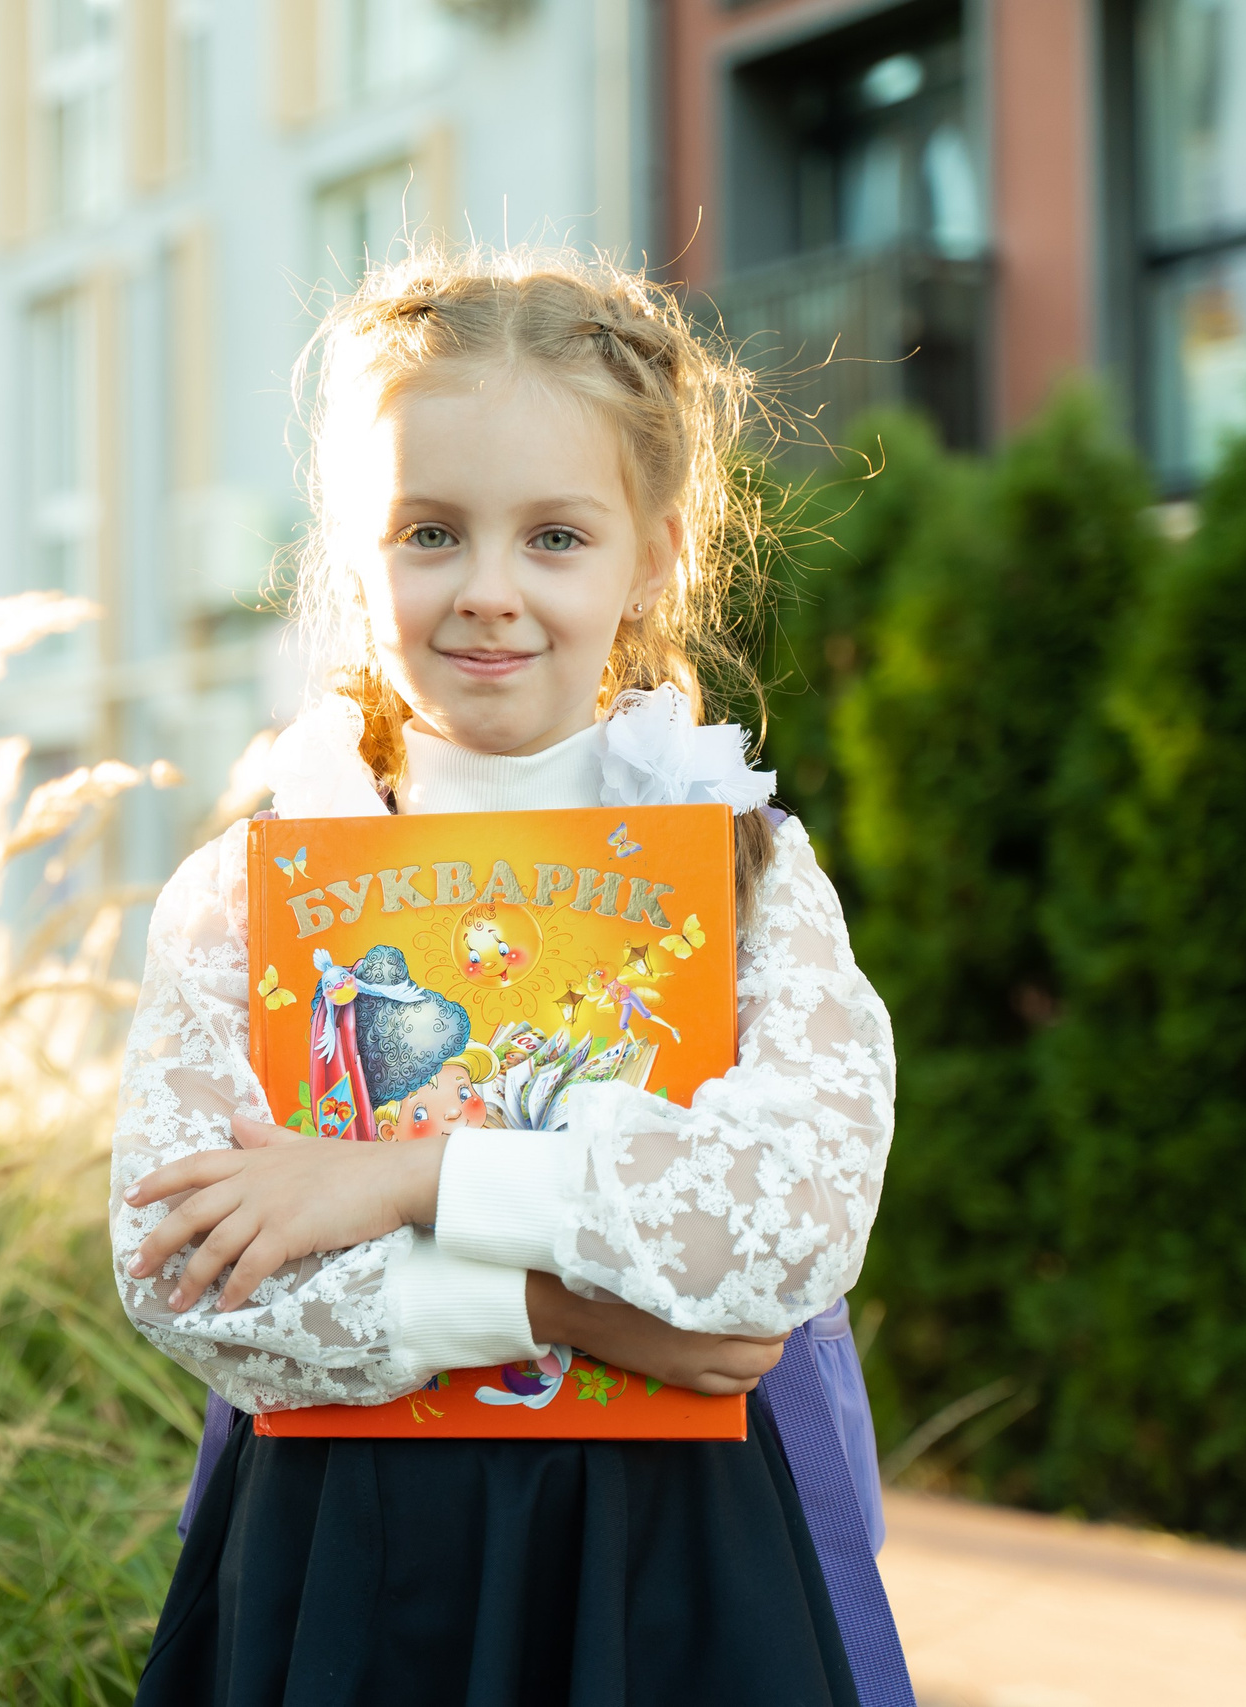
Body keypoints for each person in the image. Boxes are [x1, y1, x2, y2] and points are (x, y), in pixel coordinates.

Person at [110, 246, 909, 1705]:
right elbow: (181, 1272)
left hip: (675, 1565)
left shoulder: (748, 873)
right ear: (357, 549)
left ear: (655, 551)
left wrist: (402, 1184)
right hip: (349, 1564)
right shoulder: (252, 891)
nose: (489, 592)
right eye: (430, 534)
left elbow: (787, 1225)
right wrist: (566, 1311)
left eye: (554, 536)